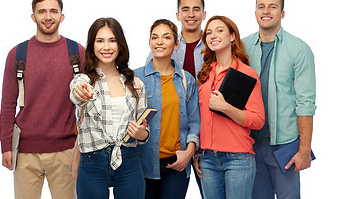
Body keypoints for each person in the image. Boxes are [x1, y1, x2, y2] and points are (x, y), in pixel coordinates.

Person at [0, 0, 85, 199]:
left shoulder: (77, 52)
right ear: (33, 16)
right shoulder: (18, 54)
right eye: (42, 11)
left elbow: (90, 102)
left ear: (62, 16)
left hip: (66, 150)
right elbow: (8, 103)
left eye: (53, 11)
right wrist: (5, 146)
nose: (48, 17)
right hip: (25, 151)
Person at [243, 0, 316, 199]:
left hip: (285, 146)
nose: (266, 11)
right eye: (261, 6)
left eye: (272, 7)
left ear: (282, 13)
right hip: (250, 145)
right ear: (255, 11)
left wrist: (304, 150)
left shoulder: (299, 49)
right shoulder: (242, 46)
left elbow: (305, 103)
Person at [70, 17, 148, 199]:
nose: (106, 47)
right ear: (92, 45)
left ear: (120, 44)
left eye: (112, 40)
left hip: (129, 159)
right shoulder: (83, 81)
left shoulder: (136, 84)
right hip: (92, 161)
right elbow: (76, 91)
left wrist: (141, 133)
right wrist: (79, 91)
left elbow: (145, 133)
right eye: (100, 41)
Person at [194, 15, 265, 199]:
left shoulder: (246, 74)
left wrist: (226, 107)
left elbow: (258, 121)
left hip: (238, 159)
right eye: (209, 32)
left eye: (219, 30)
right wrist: (198, 152)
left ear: (232, 36)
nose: (213, 35)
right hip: (207, 158)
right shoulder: (205, 74)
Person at [134, 19, 200, 199]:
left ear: (176, 44)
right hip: (143, 163)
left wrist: (189, 153)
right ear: (149, 42)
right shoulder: (135, 77)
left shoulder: (186, 80)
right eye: (154, 37)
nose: (159, 42)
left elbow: (194, 122)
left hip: (177, 164)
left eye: (166, 37)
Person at [146, 0, 207, 79]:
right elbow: (148, 77)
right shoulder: (165, 46)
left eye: (196, 9)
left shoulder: (212, 46)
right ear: (178, 15)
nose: (191, 14)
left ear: (204, 15)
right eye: (185, 9)